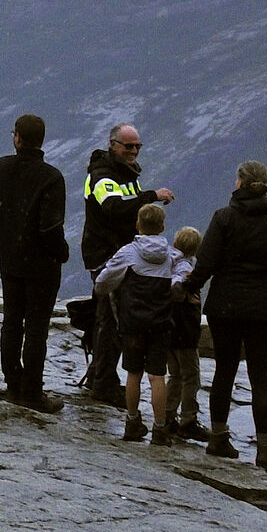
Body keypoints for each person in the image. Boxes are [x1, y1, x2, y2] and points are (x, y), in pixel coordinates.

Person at [187, 160, 267, 471]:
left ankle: (218, 438)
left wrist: (188, 288)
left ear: (239, 183)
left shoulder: (224, 217)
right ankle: (265, 450)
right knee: (260, 378)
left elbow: (206, 262)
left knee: (224, 372)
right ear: (265, 185)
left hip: (224, 307)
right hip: (264, 309)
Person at [80, 124, 173, 407]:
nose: (133, 151)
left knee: (109, 316)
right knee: (113, 319)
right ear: (113, 145)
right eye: (127, 146)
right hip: (105, 252)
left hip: (117, 250)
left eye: (137, 147)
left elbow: (126, 205)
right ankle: (104, 384)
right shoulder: (103, 176)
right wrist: (151, 197)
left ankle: (99, 374)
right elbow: (114, 208)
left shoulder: (122, 172)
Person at [0, 112, 68, 410]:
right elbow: (50, 227)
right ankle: (32, 391)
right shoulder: (51, 177)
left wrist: (10, 235)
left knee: (12, 321)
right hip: (42, 265)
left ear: (17, 137)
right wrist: (60, 252)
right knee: (36, 327)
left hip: (9, 260)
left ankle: (12, 384)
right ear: (42, 140)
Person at [96, 204, 189, 444]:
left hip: (132, 323)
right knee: (157, 376)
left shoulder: (128, 253)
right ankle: (160, 429)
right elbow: (186, 269)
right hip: (160, 325)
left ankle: (133, 423)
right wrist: (176, 283)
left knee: (133, 374)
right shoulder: (171, 255)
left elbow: (104, 281)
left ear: (138, 225)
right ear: (163, 227)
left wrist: (105, 289)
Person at [163, 226, 204, 443]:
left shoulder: (165, 260)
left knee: (175, 375)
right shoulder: (185, 267)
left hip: (168, 327)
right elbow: (175, 288)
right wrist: (186, 292)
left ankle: (168, 416)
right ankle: (188, 420)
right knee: (191, 377)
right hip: (184, 329)